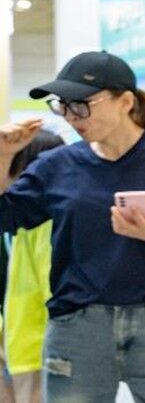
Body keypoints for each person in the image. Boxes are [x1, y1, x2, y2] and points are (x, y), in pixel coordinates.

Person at [0, 51, 145, 402]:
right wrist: (3, 156)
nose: (71, 116)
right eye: (63, 106)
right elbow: (6, 215)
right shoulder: (56, 165)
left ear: (125, 102)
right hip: (77, 325)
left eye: (81, 105)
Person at [0, 131, 64, 403]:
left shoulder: (45, 222)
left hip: (37, 347)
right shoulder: (13, 217)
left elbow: (52, 287)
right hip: (15, 341)